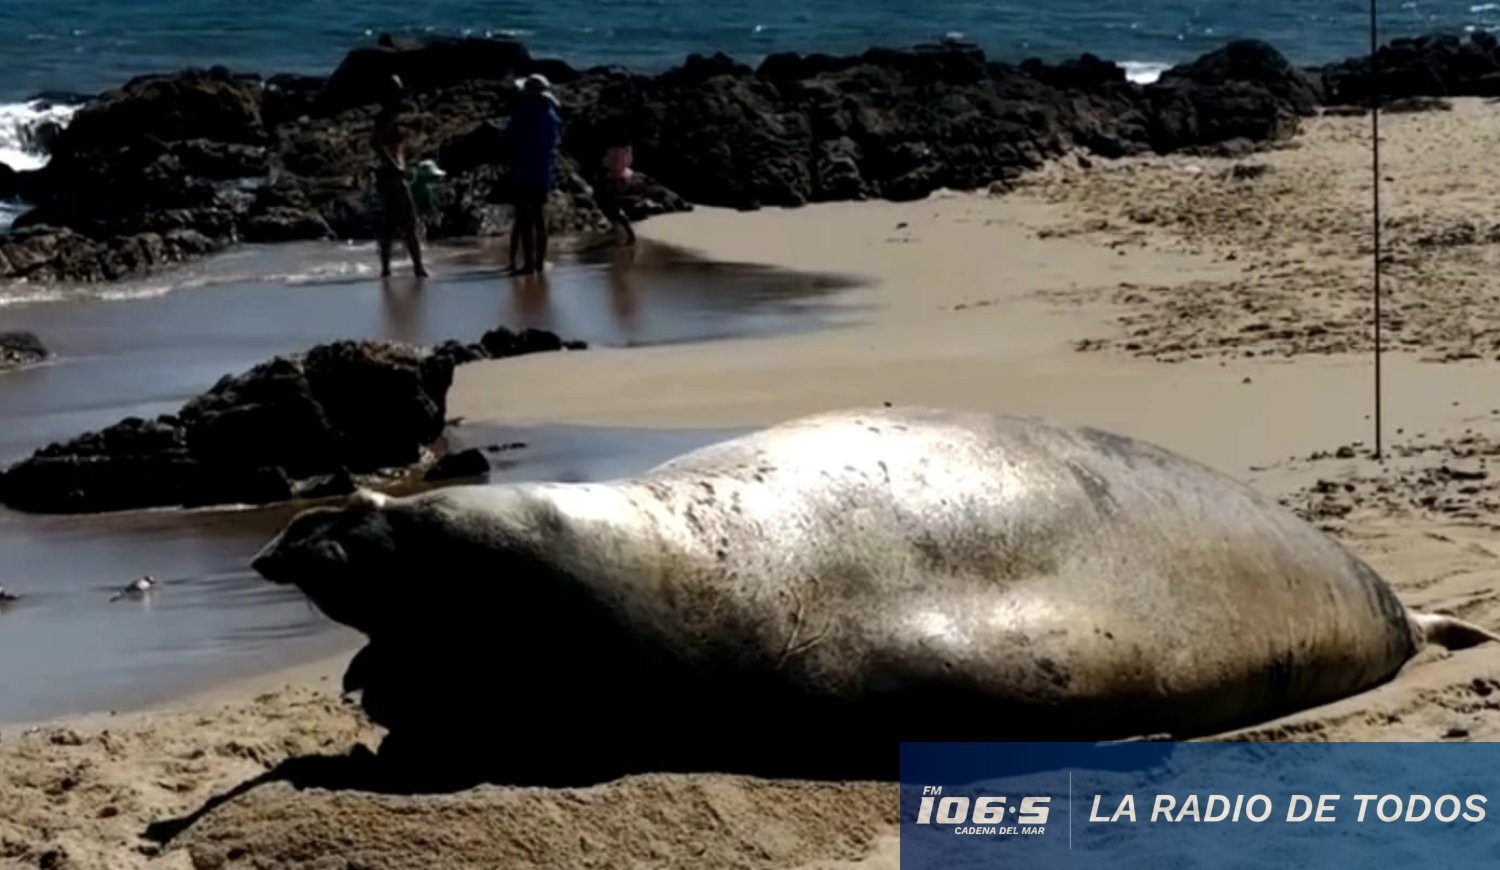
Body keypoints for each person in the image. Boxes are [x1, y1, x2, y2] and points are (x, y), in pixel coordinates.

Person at [505, 73, 563, 275]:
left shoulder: (520, 114)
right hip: (541, 172)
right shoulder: (550, 116)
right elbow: (553, 144)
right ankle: (539, 262)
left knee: (524, 219)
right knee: (539, 218)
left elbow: (508, 139)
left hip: (521, 171)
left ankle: (528, 263)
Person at [371, 77, 428, 278]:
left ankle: (387, 269)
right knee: (408, 223)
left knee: (389, 224)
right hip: (393, 176)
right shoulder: (387, 117)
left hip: (388, 175)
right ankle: (418, 267)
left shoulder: (391, 116)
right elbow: (376, 143)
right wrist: (396, 166)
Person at [594, 119, 638, 245]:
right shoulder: (627, 148)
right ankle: (625, 234)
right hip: (624, 177)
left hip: (614, 177)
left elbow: (608, 163)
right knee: (614, 206)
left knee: (611, 207)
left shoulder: (614, 149)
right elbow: (628, 162)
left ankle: (627, 235)